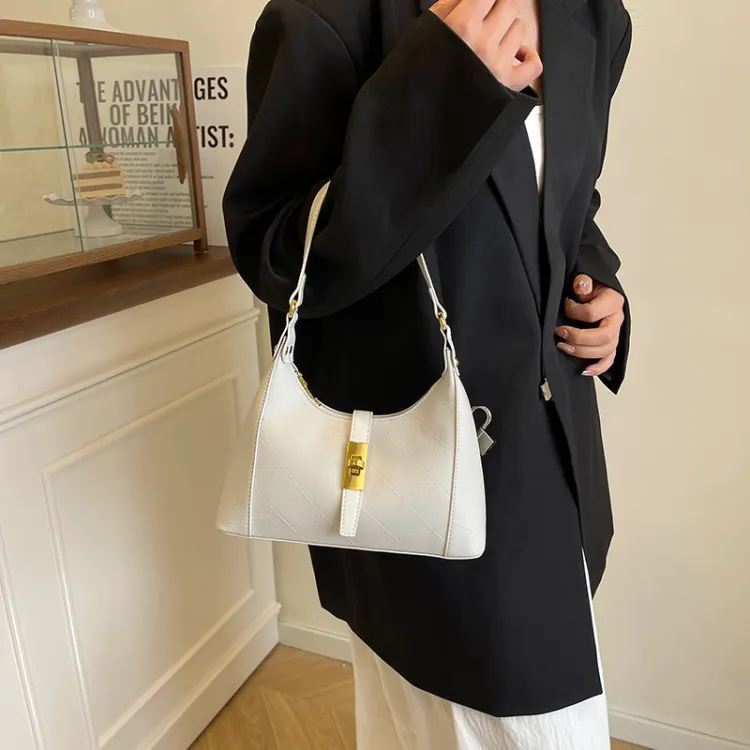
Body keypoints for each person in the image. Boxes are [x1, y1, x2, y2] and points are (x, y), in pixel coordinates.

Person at [223, 0, 632, 746]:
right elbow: (279, 252)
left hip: (554, 464)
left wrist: (596, 283)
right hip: (409, 472)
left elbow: (567, 198)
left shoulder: (595, 18)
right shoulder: (328, 16)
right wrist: (442, 87)